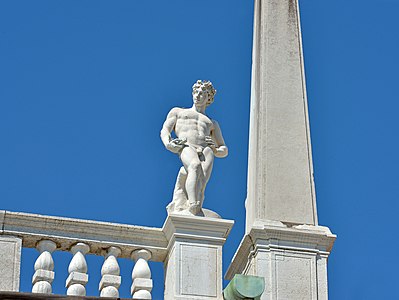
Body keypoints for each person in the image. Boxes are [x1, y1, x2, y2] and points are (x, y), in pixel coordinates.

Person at [160, 80, 228, 216]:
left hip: (206, 150)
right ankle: (193, 205)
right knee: (194, 166)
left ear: (208, 97)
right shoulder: (178, 112)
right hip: (186, 146)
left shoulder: (211, 122)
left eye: (201, 93)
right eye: (195, 92)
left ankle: (196, 204)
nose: (197, 95)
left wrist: (215, 149)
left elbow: (224, 149)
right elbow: (165, 130)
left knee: (201, 182)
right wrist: (169, 143)